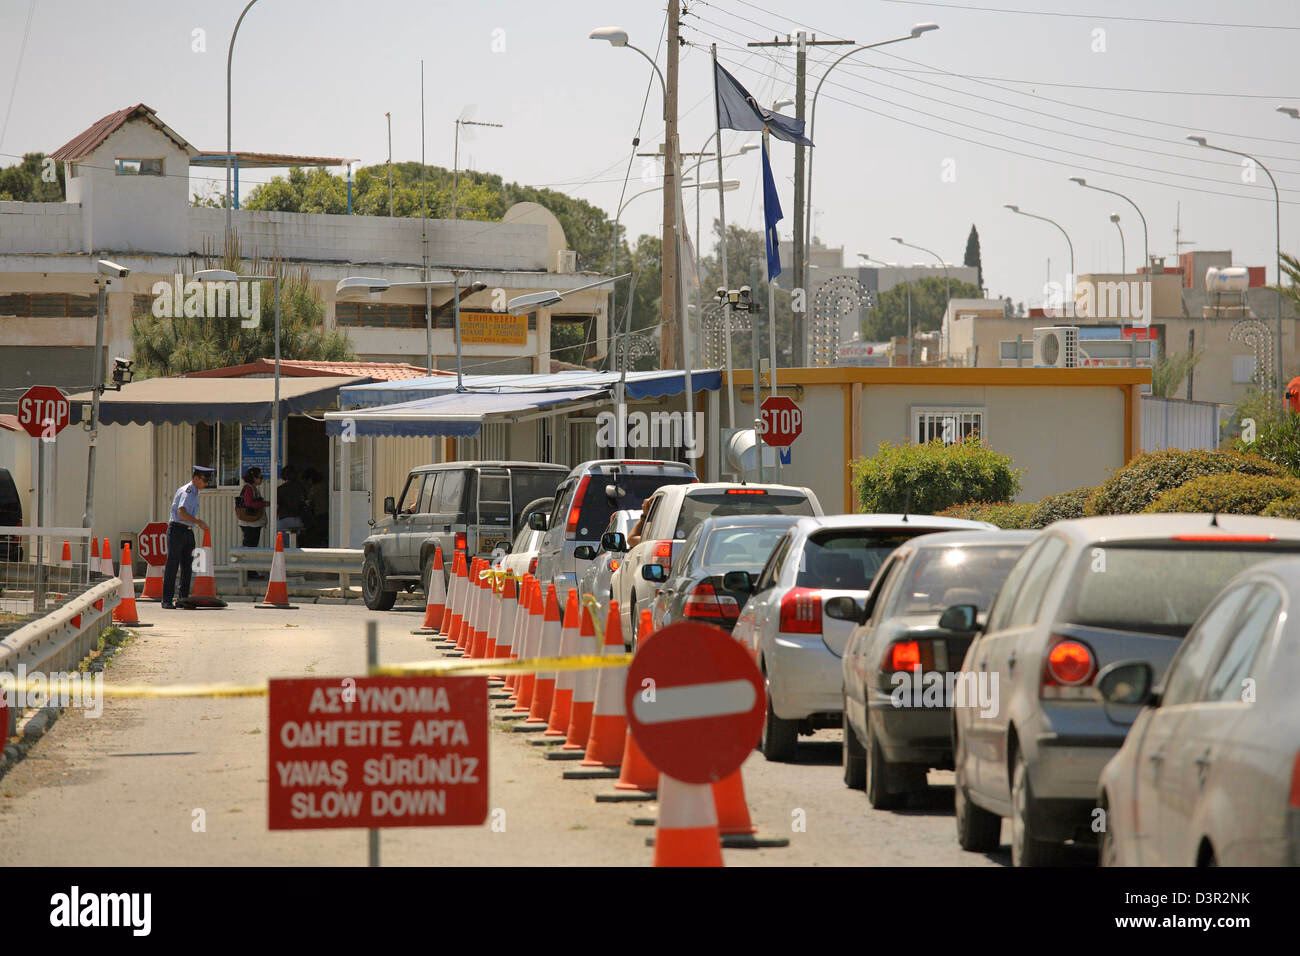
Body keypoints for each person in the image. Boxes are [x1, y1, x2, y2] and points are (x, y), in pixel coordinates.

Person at [162, 465, 213, 609]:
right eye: (204, 480)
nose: (206, 484)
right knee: (172, 565)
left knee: (187, 566)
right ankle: (166, 599)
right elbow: (181, 512)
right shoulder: (188, 491)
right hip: (177, 530)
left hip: (187, 531)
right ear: (196, 478)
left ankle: (183, 599)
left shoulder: (196, 491)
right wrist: (199, 522)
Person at [236, 467, 268, 578]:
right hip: (250, 523)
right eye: (260, 477)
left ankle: (250, 571)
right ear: (254, 478)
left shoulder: (252, 488)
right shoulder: (249, 488)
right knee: (250, 547)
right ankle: (249, 572)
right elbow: (249, 503)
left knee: (251, 547)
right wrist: (263, 504)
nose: (261, 479)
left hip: (253, 523)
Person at [276, 465, 306, 539]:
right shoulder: (300, 487)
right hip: (297, 518)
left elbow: (277, 505)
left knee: (284, 545)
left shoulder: (280, 489)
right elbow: (305, 501)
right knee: (295, 543)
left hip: (284, 518)